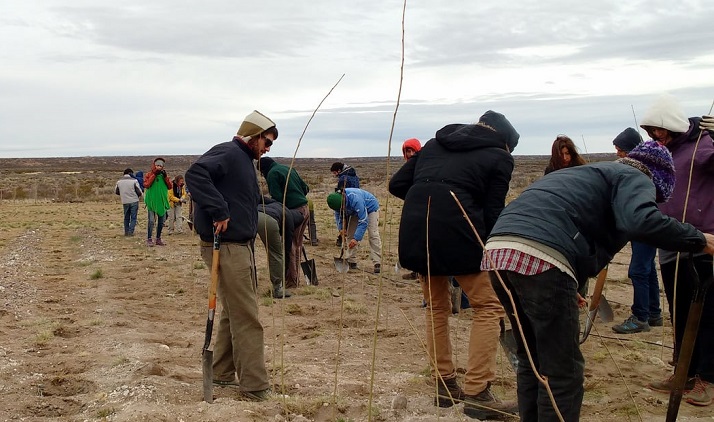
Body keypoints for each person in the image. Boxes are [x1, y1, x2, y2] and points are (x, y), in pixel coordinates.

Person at [482, 140, 714, 421]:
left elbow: (572, 230)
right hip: (542, 255)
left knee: (532, 360)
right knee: (562, 372)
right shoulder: (638, 175)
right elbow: (639, 221)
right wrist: (699, 239)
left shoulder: (587, 175)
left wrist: (572, 284)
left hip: (498, 252)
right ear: (659, 179)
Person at [388, 110, 520, 420]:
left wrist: (429, 193)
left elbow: (397, 184)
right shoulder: (499, 157)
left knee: (436, 308)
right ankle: (478, 392)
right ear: (505, 143)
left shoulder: (435, 144)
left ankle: (444, 385)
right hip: (460, 231)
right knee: (488, 307)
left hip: (417, 231)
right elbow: (493, 212)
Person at [185, 109, 277, 401]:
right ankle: (255, 386)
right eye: (267, 141)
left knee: (233, 311)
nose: (268, 148)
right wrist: (219, 209)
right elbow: (195, 174)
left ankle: (222, 373)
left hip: (239, 245)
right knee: (247, 315)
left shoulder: (244, 160)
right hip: (225, 245)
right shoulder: (228, 152)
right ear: (252, 136)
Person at [639, 94, 714, 406]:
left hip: (705, 242)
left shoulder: (703, 146)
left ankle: (708, 379)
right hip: (672, 243)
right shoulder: (661, 153)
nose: (657, 135)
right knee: (680, 312)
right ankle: (685, 372)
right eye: (651, 130)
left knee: (709, 313)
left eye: (660, 129)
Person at [608, 128, 664, 334]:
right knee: (648, 268)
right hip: (650, 223)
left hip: (643, 224)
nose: (618, 153)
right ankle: (654, 313)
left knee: (638, 271)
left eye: (620, 149)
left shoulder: (639, 171)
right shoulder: (650, 168)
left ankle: (640, 317)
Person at [258, 157, 310, 289]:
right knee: (297, 245)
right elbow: (305, 188)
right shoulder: (288, 168)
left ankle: (291, 281)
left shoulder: (272, 174)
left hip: (293, 213)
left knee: (290, 246)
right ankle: (295, 278)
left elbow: (277, 199)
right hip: (305, 208)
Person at [257, 196, 304, 299]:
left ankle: (251, 284)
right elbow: (286, 249)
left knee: (247, 250)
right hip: (268, 220)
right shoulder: (290, 220)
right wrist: (285, 270)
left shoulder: (278, 205)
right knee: (275, 253)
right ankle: (278, 288)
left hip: (251, 214)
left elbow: (260, 197)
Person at [326, 188, 382, 273]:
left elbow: (363, 221)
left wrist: (356, 239)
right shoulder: (337, 204)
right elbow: (338, 217)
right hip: (354, 211)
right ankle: (351, 260)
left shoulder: (355, 199)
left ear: (344, 200)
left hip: (370, 208)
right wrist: (341, 229)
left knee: (373, 234)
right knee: (350, 234)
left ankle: (377, 263)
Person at [143, 158, 172, 246]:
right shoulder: (149, 174)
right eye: (157, 165)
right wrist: (154, 175)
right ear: (154, 165)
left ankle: (158, 238)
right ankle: (149, 238)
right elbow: (146, 185)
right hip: (151, 201)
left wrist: (166, 177)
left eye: (160, 166)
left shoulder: (163, 176)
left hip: (161, 201)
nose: (159, 167)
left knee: (161, 221)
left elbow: (169, 186)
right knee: (151, 221)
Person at [114, 168, 143, 236]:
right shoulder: (134, 181)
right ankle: (131, 232)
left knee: (126, 217)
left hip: (125, 201)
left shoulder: (119, 182)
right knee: (133, 217)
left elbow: (116, 191)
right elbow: (139, 192)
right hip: (134, 201)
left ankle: (126, 232)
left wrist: (123, 195)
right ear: (131, 173)